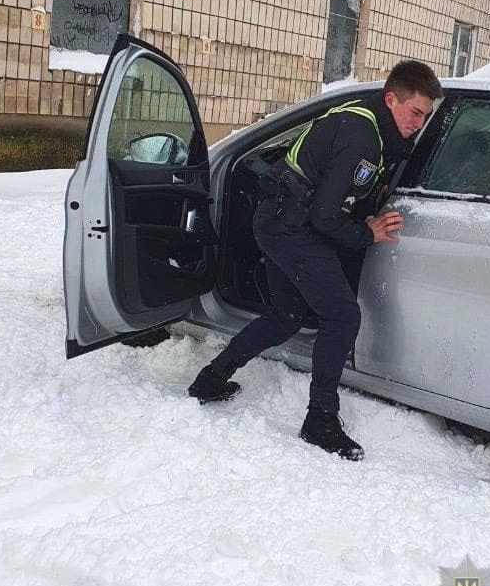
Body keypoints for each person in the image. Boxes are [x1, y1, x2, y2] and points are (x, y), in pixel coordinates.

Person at [187, 60, 442, 460]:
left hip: (279, 220)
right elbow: (325, 216)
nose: (418, 123)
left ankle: (211, 378)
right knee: (342, 317)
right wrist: (367, 233)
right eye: (414, 113)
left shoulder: (367, 125)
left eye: (425, 117)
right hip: (291, 228)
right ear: (391, 98)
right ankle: (320, 419)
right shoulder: (362, 136)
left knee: (287, 315)